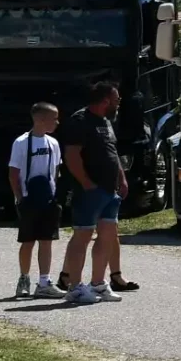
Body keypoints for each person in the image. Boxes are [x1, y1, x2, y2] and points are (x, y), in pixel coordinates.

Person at [57, 81, 135, 307]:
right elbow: (72, 155)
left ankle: (99, 283)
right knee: (82, 235)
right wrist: (86, 183)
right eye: (116, 99)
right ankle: (74, 287)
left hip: (110, 191)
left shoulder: (106, 121)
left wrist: (121, 177)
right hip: (90, 190)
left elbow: (112, 151)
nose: (119, 103)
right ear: (104, 101)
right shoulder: (80, 120)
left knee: (108, 233)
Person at [7, 102, 64, 298]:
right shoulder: (21, 142)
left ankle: (44, 282)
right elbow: (13, 173)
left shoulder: (53, 143)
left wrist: (54, 194)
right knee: (28, 241)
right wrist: (20, 198)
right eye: (53, 118)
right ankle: (24, 278)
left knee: (47, 240)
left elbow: (56, 171)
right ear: (40, 119)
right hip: (29, 198)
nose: (57, 122)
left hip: (47, 199)